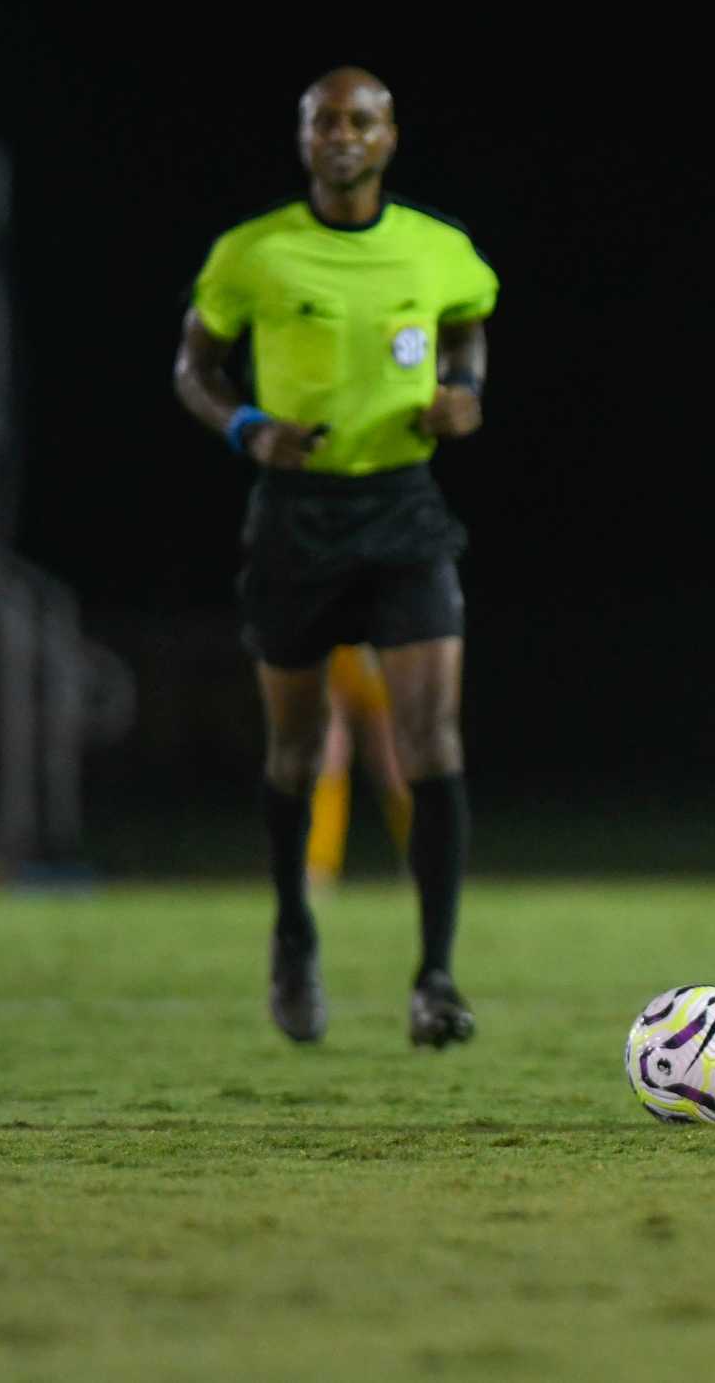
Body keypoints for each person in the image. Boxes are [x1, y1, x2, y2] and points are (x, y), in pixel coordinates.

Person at [171, 68, 495, 1048]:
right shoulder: (253, 253)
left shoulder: (439, 250)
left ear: (390, 136)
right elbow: (194, 366)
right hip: (296, 516)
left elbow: (470, 326)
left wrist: (465, 392)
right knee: (299, 752)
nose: (342, 136)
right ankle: (293, 936)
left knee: (430, 743)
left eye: (360, 120)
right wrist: (246, 431)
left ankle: (435, 978)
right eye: (324, 122)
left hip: (401, 510)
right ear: (304, 138)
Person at [305, 644, 413, 889]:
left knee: (392, 766)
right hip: (333, 650)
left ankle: (424, 855)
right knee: (329, 759)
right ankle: (318, 865)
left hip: (374, 647)